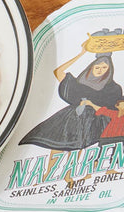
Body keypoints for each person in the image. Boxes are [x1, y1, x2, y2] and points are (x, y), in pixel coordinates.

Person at [19, 41, 122, 178]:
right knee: (59, 146)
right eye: (98, 66)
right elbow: (59, 71)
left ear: (109, 71)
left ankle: (74, 174)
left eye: (104, 67)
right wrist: (81, 53)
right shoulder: (77, 83)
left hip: (93, 122)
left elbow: (117, 108)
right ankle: (49, 174)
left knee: (79, 148)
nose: (100, 69)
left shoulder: (112, 88)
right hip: (71, 119)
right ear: (91, 66)